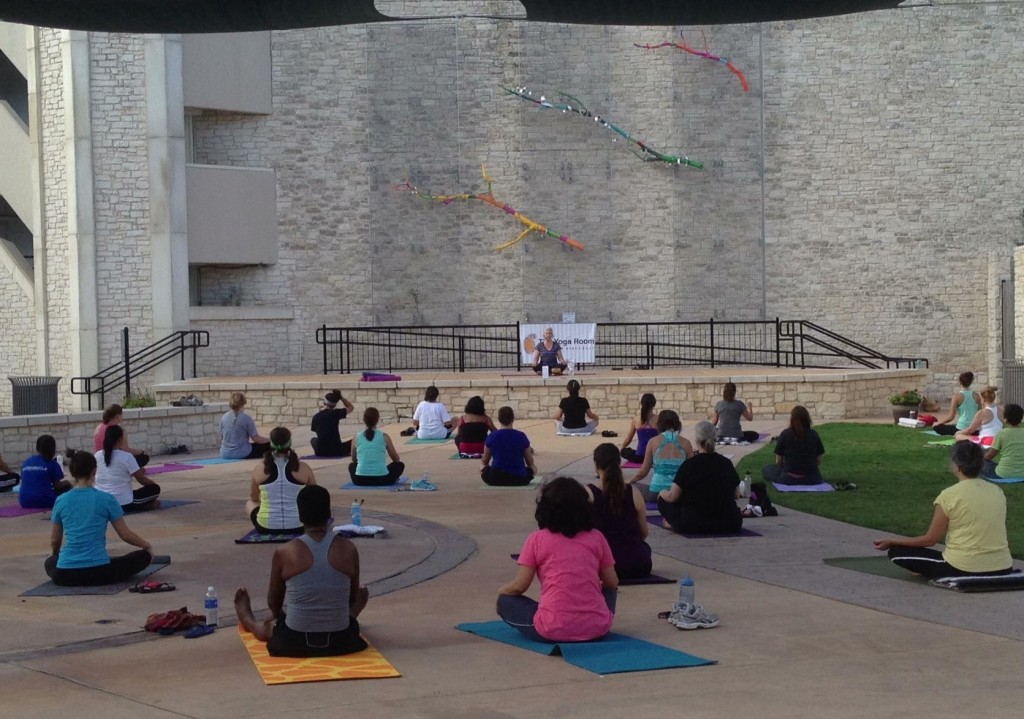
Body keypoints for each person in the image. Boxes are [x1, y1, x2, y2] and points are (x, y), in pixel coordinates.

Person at [234, 484, 370, 657]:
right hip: (341, 640)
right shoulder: (348, 549)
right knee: (354, 602)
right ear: (329, 514)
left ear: (300, 516)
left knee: (270, 626)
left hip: (295, 641)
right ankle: (346, 616)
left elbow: (273, 603)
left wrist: (281, 619)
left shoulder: (285, 552)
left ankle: (249, 620)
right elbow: (350, 598)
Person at [497, 476, 618, 643]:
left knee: (505, 601)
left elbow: (519, 587)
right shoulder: (597, 537)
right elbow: (612, 583)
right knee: (609, 590)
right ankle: (591, 617)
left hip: (551, 629)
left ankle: (562, 619)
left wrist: (503, 590)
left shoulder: (537, 539)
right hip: (598, 628)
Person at [874, 441, 1013, 579]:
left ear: (957, 467)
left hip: (962, 568)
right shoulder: (997, 491)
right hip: (1003, 566)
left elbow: (930, 540)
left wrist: (893, 541)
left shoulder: (949, 495)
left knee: (897, 552)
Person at [44, 451, 153, 586]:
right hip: (99, 572)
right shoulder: (106, 499)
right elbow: (125, 534)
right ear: (94, 471)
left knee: (49, 562)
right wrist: (146, 546)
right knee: (142, 557)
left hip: (65, 574)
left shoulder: (61, 500)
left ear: (72, 472)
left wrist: (56, 556)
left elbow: (55, 540)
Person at [658, 421, 742, 535]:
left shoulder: (689, 465)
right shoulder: (726, 464)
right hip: (728, 522)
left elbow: (673, 497)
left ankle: (672, 522)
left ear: (697, 441)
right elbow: (736, 495)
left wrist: (662, 493)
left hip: (693, 523)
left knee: (663, 501)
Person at [588, 444, 651, 579]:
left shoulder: (588, 494)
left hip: (603, 565)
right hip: (638, 563)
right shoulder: (634, 492)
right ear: (619, 463)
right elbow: (644, 532)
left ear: (596, 465)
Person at [247, 427, 317, 534]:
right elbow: (314, 495)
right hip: (299, 525)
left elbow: (253, 497)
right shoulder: (303, 467)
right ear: (290, 442)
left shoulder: (260, 468)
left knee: (250, 503)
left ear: (271, 443)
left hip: (266, 527)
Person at [630, 410, 694, 502]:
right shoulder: (686, 443)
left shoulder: (653, 442)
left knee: (630, 487)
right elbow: (691, 471)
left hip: (656, 493)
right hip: (679, 494)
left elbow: (643, 472)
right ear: (677, 424)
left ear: (659, 424)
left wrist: (631, 480)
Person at [95, 425, 161, 511]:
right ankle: (145, 506)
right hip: (123, 502)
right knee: (155, 489)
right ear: (120, 439)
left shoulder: (97, 455)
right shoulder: (126, 457)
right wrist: (151, 483)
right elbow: (142, 480)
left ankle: (146, 505)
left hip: (101, 501)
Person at [762, 406, 825, 486]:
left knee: (766, 468)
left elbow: (779, 462)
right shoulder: (814, 435)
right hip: (811, 478)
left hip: (789, 478)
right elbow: (819, 461)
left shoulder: (785, 434)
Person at [481, 406, 536, 487]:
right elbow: (530, 462)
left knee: (482, 465)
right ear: (513, 419)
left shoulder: (492, 436)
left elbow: (484, 461)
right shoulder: (521, 436)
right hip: (519, 479)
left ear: (499, 419)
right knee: (534, 468)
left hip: (495, 478)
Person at [349, 407, 405, 486]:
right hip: (382, 479)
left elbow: (354, 460)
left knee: (351, 466)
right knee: (399, 465)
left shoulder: (356, 438)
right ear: (377, 420)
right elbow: (396, 459)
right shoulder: (384, 437)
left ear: (364, 420)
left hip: (360, 480)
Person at [19, 434, 72, 509]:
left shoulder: (27, 462)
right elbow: (57, 485)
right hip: (46, 501)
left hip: (24, 501)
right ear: (53, 449)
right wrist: (68, 482)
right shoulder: (52, 464)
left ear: (37, 448)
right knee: (67, 487)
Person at [220, 392, 271, 459]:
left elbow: (222, 436)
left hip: (225, 453)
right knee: (269, 446)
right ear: (243, 403)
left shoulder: (224, 417)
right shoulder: (246, 418)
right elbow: (256, 438)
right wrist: (270, 440)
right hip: (242, 453)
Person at [933, 372, 982, 436]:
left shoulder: (956, 396)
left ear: (960, 382)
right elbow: (980, 413)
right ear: (971, 382)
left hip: (961, 428)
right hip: (975, 429)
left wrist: (939, 423)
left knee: (937, 427)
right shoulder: (977, 396)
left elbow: (951, 417)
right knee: (953, 426)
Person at [984, 403, 1024, 479]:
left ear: (1005, 418)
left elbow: (989, 456)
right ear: (1021, 418)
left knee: (984, 463)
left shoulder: (1001, 434)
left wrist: (981, 458)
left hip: (1004, 473)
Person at [310, 390, 355, 458]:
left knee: (313, 439)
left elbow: (317, 432)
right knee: (354, 440)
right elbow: (351, 407)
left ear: (324, 402)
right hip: (337, 450)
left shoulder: (316, 417)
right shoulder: (336, 413)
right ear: (335, 404)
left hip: (321, 451)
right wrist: (341, 398)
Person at [619, 393, 658, 463]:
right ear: (654, 404)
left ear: (642, 404)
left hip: (639, 457)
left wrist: (621, 449)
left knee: (625, 451)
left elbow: (628, 439)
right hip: (654, 457)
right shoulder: (659, 419)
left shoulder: (636, 419)